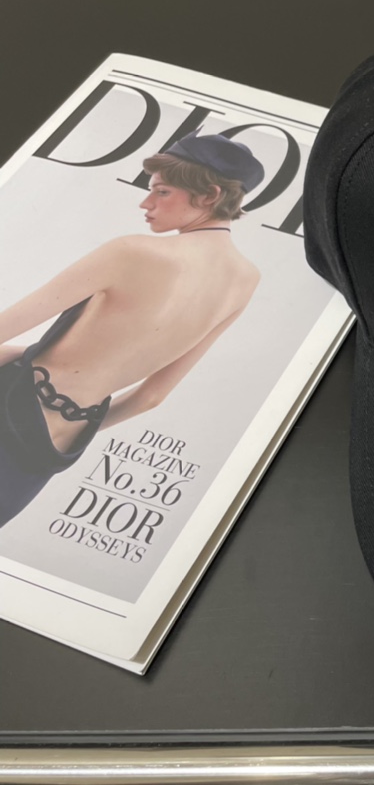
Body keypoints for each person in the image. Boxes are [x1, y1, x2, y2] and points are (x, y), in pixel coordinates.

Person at [0, 132, 265, 529]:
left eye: (162, 191)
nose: (146, 203)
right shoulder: (245, 281)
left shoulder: (132, 251)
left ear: (209, 195)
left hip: (11, 400)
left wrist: (22, 361)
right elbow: (150, 397)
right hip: (57, 449)